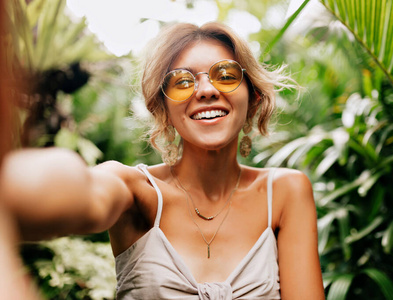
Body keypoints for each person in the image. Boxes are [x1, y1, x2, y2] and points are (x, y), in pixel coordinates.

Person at [1, 22, 324, 299]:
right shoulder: (136, 193)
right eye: (182, 82)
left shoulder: (285, 193)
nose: (206, 90)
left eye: (225, 75)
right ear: (162, 107)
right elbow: (79, 190)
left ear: (252, 95)